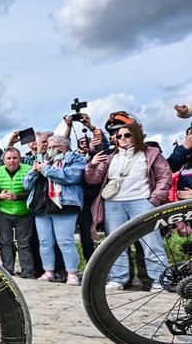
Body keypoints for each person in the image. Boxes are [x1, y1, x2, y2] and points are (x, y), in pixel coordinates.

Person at [85, 112, 172, 291]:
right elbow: (93, 179)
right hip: (113, 204)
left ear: (136, 135)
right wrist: (92, 164)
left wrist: (154, 200)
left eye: (127, 134)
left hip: (142, 202)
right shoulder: (110, 157)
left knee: (151, 243)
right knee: (115, 244)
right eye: (118, 136)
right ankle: (118, 279)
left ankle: (161, 280)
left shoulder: (151, 153)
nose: (122, 138)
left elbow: (165, 176)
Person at [23, 134, 86, 285]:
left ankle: (72, 272)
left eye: (54, 147)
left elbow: (72, 176)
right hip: (41, 206)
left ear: (64, 147)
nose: (50, 150)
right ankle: (48, 271)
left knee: (65, 241)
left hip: (64, 205)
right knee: (44, 242)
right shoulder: (43, 161)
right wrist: (34, 171)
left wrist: (47, 170)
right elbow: (26, 184)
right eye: (49, 147)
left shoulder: (74, 158)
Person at [0, 147, 33, 277]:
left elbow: (33, 192)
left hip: (24, 212)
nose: (12, 161)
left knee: (24, 243)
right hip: (4, 211)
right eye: (8, 158)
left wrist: (16, 196)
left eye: (15, 158)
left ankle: (27, 271)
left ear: (19, 159)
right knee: (5, 242)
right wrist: (0, 196)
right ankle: (8, 270)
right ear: (4, 160)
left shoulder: (28, 169)